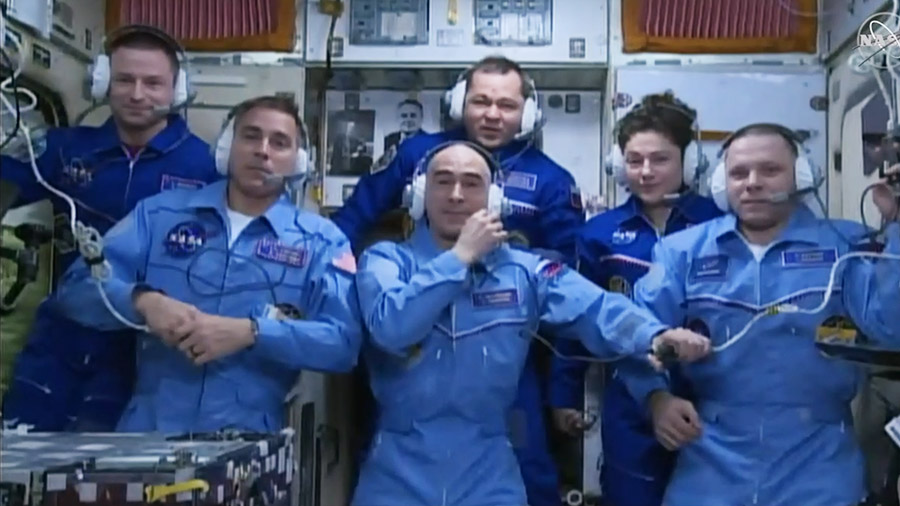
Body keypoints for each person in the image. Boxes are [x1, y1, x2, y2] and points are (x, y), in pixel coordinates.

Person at [351, 140, 711, 506]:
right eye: (443, 181)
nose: (456, 195)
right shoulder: (385, 261)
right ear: (419, 194)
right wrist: (460, 257)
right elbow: (392, 327)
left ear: (494, 200)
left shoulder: (525, 271)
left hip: (487, 473)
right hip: (396, 473)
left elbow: (596, 308)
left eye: (472, 183)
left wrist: (655, 335)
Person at [333, 56, 584, 505]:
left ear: (527, 113)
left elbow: (567, 274)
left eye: (506, 105)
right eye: (481, 101)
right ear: (457, 103)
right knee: (395, 454)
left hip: (501, 344)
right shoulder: (417, 155)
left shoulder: (550, 181)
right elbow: (350, 223)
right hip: (412, 340)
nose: (492, 114)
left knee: (526, 464)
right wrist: (340, 302)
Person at [619, 123, 900, 506]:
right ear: (722, 183)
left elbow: (890, 328)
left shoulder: (846, 245)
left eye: (770, 170)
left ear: (801, 177)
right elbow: (634, 333)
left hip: (818, 458)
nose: (752, 183)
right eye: (739, 173)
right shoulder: (682, 252)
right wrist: (656, 399)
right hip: (711, 456)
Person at [50, 95, 362, 432]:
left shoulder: (320, 242)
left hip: (246, 443)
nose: (263, 151)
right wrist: (143, 302)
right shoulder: (158, 215)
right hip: (147, 435)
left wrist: (252, 333)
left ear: (298, 163)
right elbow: (75, 289)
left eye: (280, 143)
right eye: (251, 136)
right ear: (227, 146)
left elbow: (343, 344)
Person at [1, 24, 219, 431]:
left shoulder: (206, 168)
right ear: (103, 83)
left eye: (153, 83)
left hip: (147, 350)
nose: (137, 94)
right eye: (124, 80)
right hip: (64, 336)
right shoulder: (64, 149)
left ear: (177, 90)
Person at [547, 92, 722, 506]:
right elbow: (577, 317)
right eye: (634, 160)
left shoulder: (720, 226)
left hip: (713, 394)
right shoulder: (599, 234)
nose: (645, 172)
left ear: (689, 161)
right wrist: (563, 395)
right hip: (630, 396)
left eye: (660, 159)